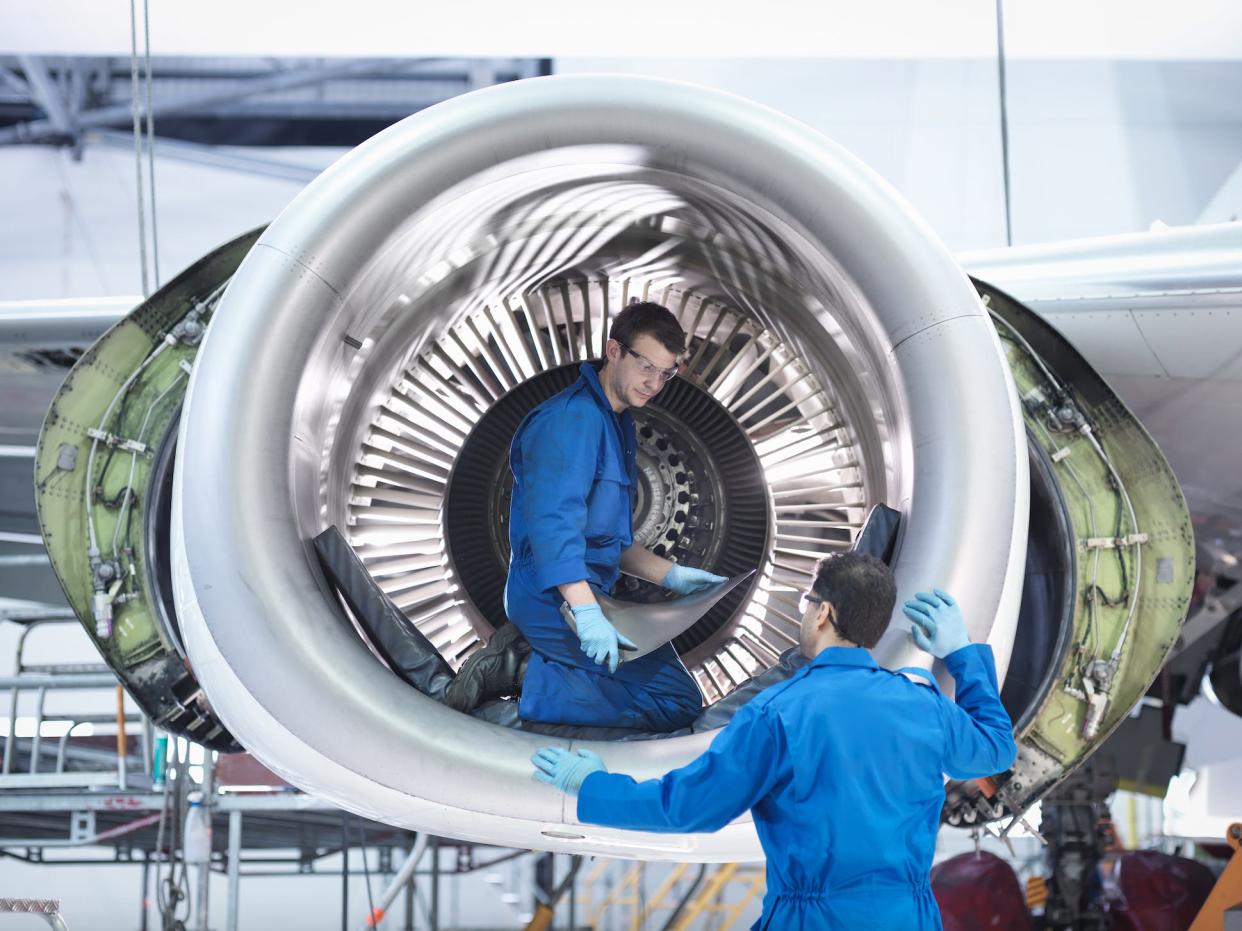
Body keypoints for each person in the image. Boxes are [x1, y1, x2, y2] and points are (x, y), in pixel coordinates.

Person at [531, 552, 1018, 930]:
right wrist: (962, 653)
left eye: (807, 601)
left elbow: (687, 809)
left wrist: (592, 785)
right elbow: (997, 747)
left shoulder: (776, 715)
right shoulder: (924, 705)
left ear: (823, 612)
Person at [447, 301, 725, 731]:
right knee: (676, 702)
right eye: (646, 366)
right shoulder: (570, 421)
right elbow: (553, 529)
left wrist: (673, 576)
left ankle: (535, 664)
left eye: (666, 373)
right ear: (614, 350)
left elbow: (612, 541)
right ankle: (518, 672)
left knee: (677, 690)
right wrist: (587, 614)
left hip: (593, 597)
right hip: (552, 599)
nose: (654, 383)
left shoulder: (615, 423)